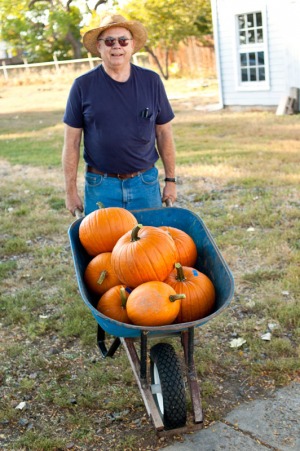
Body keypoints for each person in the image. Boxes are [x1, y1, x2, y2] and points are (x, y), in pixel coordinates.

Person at [62, 13, 177, 216]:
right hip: (100, 186)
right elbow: (71, 143)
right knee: (102, 246)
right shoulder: (82, 86)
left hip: (145, 183)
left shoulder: (151, 81)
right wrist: (70, 191)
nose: (117, 46)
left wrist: (170, 180)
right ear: (99, 47)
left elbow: (164, 134)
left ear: (132, 46)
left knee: (150, 243)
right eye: (109, 41)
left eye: (123, 40)